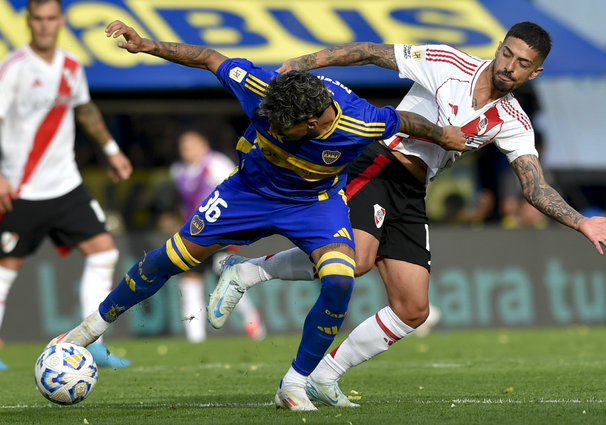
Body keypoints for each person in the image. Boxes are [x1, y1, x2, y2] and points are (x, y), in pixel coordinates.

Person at [47, 19, 467, 411]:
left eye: (288, 128)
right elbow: (210, 58)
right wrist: (147, 45)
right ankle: (87, 331)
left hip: (315, 204)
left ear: (314, 124)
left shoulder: (361, 120)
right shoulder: (264, 90)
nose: (276, 128)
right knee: (170, 260)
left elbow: (407, 120)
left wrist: (443, 134)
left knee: (340, 279)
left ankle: (295, 384)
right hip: (246, 193)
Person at [208, 21, 606, 408]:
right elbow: (372, 51)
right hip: (377, 161)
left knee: (413, 309)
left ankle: (325, 375)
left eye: (523, 64)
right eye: (507, 54)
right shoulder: (450, 63)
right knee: (356, 260)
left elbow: (533, 186)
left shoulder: (513, 121)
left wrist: (581, 221)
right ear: (499, 47)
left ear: (534, 73)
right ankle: (250, 275)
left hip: (413, 189)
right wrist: (302, 63)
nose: (509, 67)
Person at [0, 0, 133, 370]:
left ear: (60, 21)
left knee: (104, 251)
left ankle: (94, 344)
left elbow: (85, 109)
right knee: (6, 267)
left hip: (66, 184)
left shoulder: (72, 66)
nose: (44, 26)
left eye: (50, 19)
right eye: (38, 19)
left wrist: (111, 150)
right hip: (23, 187)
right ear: (28, 22)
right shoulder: (12, 69)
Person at [170, 130, 265, 342]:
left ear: (203, 145)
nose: (186, 150)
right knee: (190, 281)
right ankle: (195, 338)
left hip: (220, 233)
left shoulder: (216, 164)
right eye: (183, 146)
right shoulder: (177, 171)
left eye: (190, 144)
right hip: (193, 236)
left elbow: (236, 192)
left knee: (228, 280)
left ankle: (251, 320)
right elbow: (183, 203)